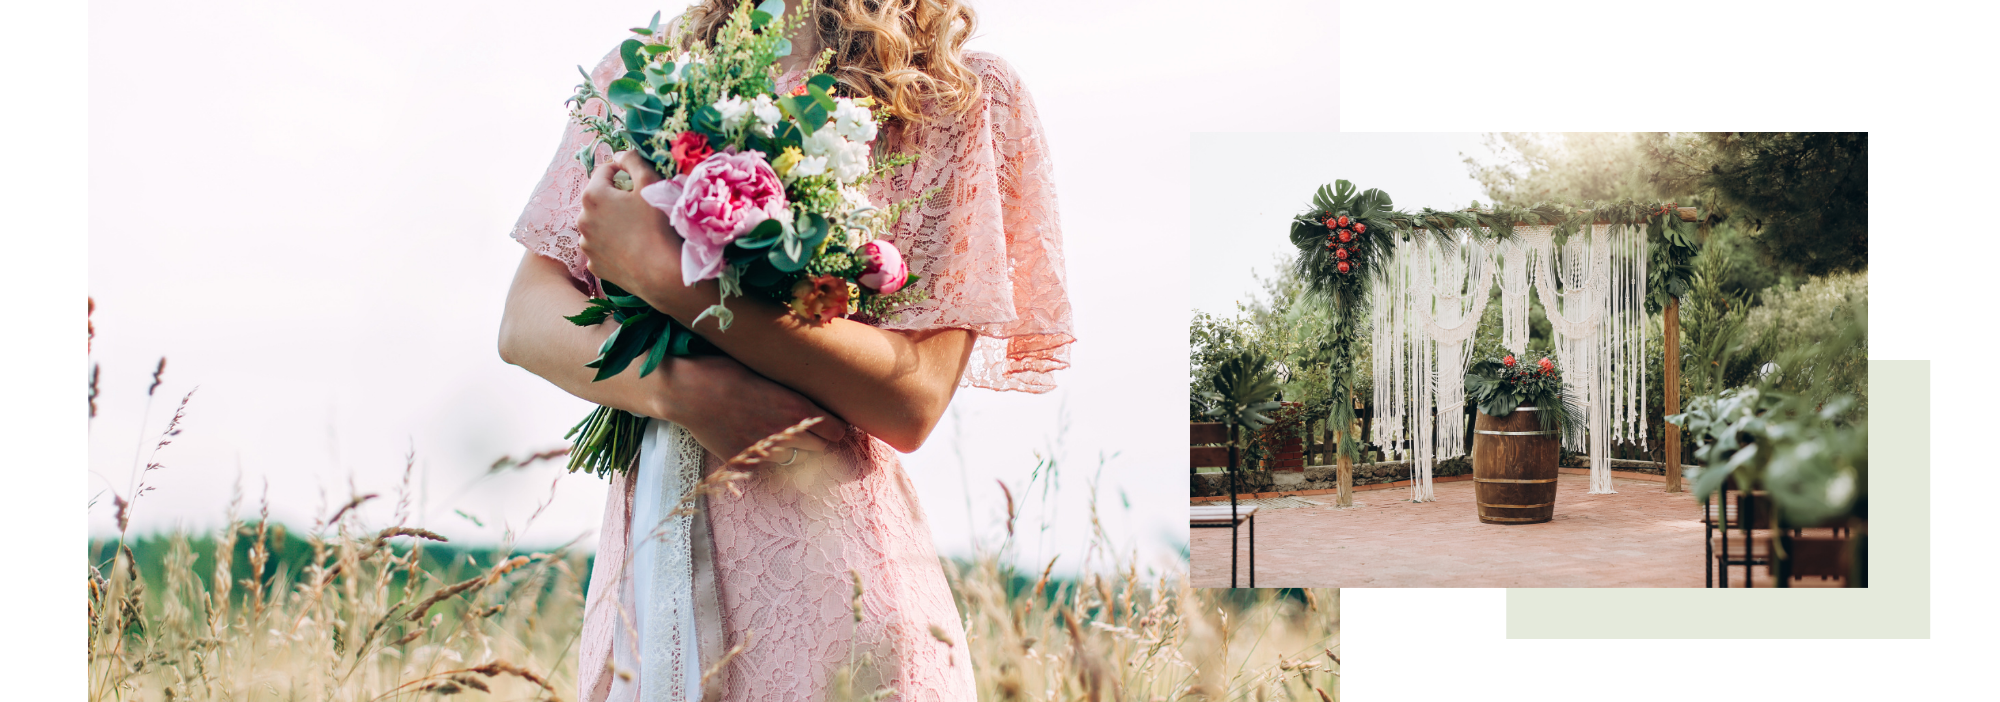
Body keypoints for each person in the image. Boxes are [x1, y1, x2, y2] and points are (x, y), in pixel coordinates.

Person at [497, 1, 1070, 699]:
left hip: (833, 580)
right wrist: (686, 393)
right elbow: (526, 321)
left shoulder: (949, 90)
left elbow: (913, 397)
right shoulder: (646, 73)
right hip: (647, 576)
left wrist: (672, 284)